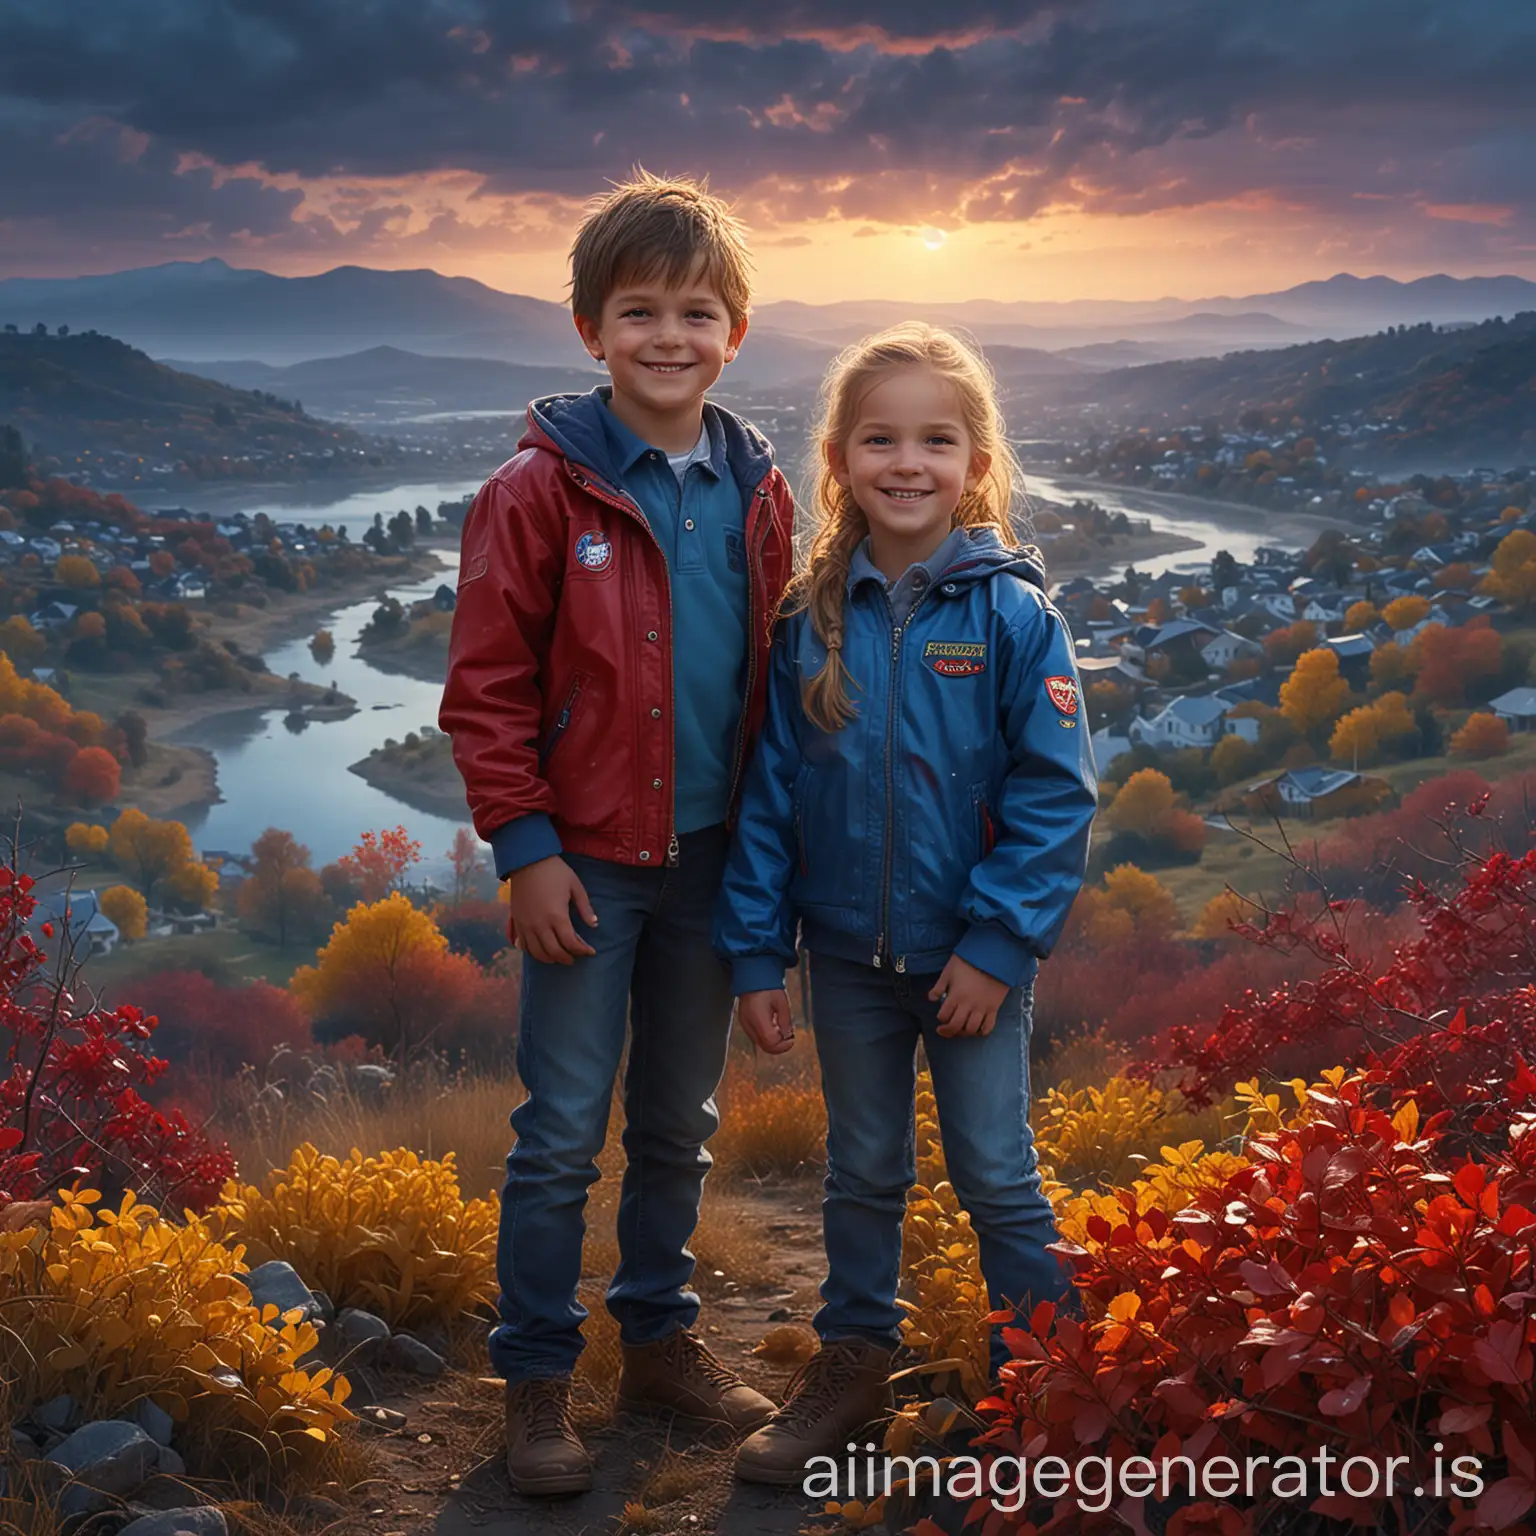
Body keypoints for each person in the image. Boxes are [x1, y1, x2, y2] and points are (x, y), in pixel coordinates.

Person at [439, 171, 796, 1497]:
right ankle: (536, 1378)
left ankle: (660, 1342)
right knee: (559, 1130)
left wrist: (773, 870)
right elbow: (485, 695)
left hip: (711, 865)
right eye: (637, 310)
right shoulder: (534, 495)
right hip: (583, 865)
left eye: (696, 312)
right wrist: (525, 848)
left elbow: (769, 690)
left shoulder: (759, 493)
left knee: (678, 1123)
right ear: (591, 328)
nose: (667, 337)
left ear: (735, 334)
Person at [714, 322, 1097, 1484]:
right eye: (880, 438)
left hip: (974, 965)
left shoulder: (1013, 618)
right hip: (848, 963)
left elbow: (1056, 797)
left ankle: (1052, 1389)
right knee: (863, 1172)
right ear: (839, 459)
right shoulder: (806, 620)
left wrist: (994, 946)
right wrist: (753, 955)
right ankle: (850, 1367)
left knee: (996, 1173)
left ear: (976, 462)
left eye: (936, 439)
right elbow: (769, 799)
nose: (907, 461)